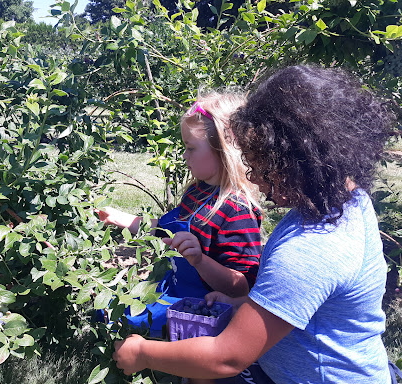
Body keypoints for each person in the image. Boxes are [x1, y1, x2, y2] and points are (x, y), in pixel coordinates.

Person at [112, 65, 397, 384]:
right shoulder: (345, 199)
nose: (251, 176)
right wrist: (243, 304)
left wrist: (142, 353)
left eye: (261, 162)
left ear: (299, 158)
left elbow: (226, 358)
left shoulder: (311, 251)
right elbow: (307, 302)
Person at [97, 90, 263, 337]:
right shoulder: (197, 192)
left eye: (191, 148)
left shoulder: (236, 209)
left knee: (131, 328)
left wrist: (199, 261)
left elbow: (242, 286)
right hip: (172, 290)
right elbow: (166, 230)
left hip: (198, 307)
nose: (185, 156)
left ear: (223, 149)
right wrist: (117, 218)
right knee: (107, 311)